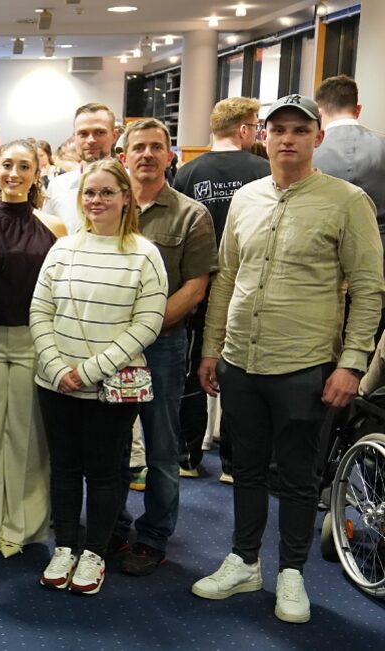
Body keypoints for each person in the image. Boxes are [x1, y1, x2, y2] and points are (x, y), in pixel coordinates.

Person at [193, 94, 383, 624]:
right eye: (278, 130)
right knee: (246, 467)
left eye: (300, 130)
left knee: (298, 476)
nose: (288, 139)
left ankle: (291, 572)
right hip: (240, 361)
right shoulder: (246, 199)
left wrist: (352, 363)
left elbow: (369, 289)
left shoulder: (348, 202)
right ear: (263, 136)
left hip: (305, 363)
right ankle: (245, 560)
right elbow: (226, 277)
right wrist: (211, 348)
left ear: (317, 138)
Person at [31, 159, 168, 596]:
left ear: (126, 197)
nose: (97, 200)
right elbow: (40, 310)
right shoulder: (63, 248)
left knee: (107, 473)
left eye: (108, 192)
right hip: (56, 382)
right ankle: (66, 546)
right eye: (90, 193)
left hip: (111, 387)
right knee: (65, 469)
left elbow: (147, 324)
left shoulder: (145, 254)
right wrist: (56, 366)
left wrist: (89, 371)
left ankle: (94, 552)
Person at [109, 119, 216, 576]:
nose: (148, 155)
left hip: (163, 348)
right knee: (109, 442)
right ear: (123, 157)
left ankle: (153, 536)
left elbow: (196, 287)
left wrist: (142, 329)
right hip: (109, 348)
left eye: (157, 147)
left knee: (161, 446)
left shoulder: (192, 215)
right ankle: (111, 525)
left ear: (171, 156)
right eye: (139, 147)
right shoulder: (106, 206)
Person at [0, 138, 67, 559]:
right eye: (6, 164)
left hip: (34, 341)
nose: (13, 173)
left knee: (29, 437)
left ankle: (24, 528)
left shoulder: (56, 228)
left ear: (36, 174)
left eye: (23, 166)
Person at [171, 96, 270, 482]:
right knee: (241, 376)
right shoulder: (265, 170)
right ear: (245, 129)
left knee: (194, 370)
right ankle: (233, 463)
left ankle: (186, 456)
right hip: (249, 290)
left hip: (198, 286)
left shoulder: (189, 172)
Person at [314, 75, 385, 236]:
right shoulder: (382, 145)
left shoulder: (309, 149)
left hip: (323, 240)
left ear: (318, 112)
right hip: (378, 242)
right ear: (358, 109)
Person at [45, 103, 120, 232]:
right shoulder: (57, 186)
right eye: (83, 134)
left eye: (99, 132)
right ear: (74, 138)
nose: (91, 140)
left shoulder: (131, 184)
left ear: (114, 136)